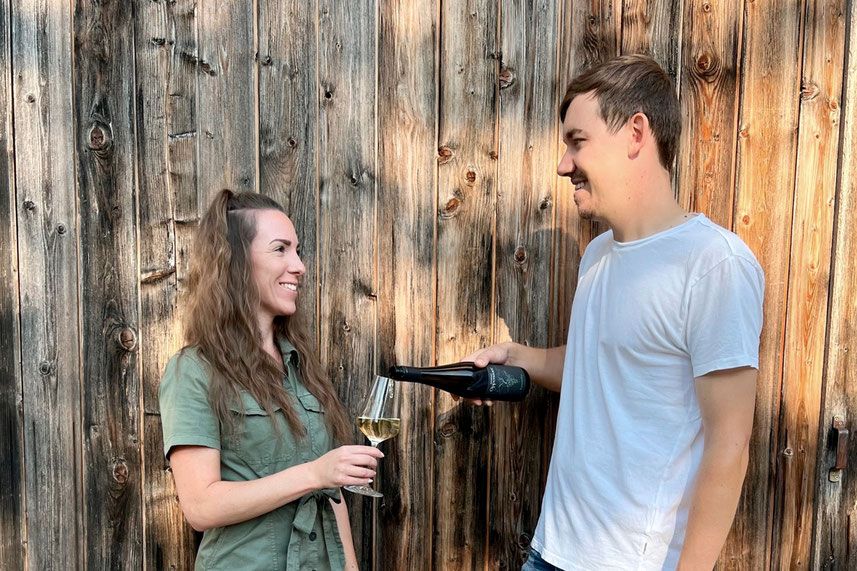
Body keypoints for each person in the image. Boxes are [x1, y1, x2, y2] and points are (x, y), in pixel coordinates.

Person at [467, 55, 764, 570]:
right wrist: (518, 355)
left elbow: (729, 446)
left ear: (635, 133)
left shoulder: (713, 265)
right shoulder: (599, 255)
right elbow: (599, 366)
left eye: (577, 141)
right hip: (551, 549)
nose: (563, 164)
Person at [159, 190, 383, 570]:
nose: (299, 265)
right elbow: (200, 506)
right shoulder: (194, 370)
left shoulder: (302, 367)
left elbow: (331, 493)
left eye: (297, 250)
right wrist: (312, 474)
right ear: (236, 263)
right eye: (280, 249)